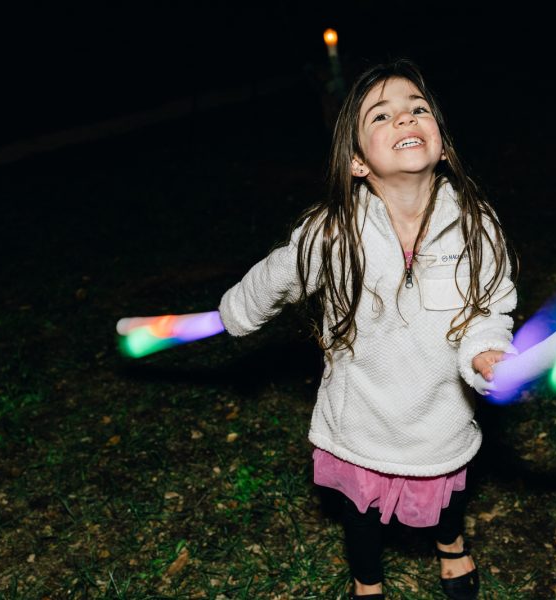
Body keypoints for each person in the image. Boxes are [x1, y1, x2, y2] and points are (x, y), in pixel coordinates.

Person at [219, 59, 517, 600]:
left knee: (447, 495)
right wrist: (235, 313)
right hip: (360, 418)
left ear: (443, 145)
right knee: (361, 517)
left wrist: (487, 353)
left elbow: (489, 309)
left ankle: (451, 547)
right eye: (382, 115)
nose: (405, 119)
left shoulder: (478, 225)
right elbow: (280, 274)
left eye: (418, 109)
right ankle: (367, 582)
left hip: (439, 413)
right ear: (357, 161)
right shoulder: (332, 231)